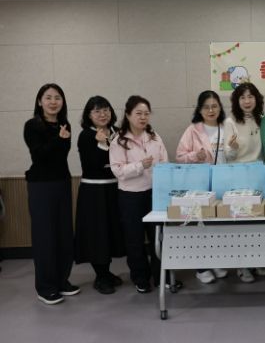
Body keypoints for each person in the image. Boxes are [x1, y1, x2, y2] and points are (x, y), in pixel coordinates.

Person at [23, 83, 80, 305]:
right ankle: (45, 287)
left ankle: (61, 281)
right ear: (40, 101)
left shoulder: (64, 124)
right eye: (48, 97)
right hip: (40, 185)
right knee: (45, 235)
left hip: (62, 182)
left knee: (64, 233)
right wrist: (58, 139)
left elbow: (60, 157)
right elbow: (40, 156)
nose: (53, 102)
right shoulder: (32, 125)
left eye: (57, 97)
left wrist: (61, 138)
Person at [110, 95, 168, 294]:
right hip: (130, 196)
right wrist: (139, 166)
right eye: (138, 113)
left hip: (154, 193)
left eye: (146, 114)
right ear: (128, 115)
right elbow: (117, 170)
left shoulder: (154, 137)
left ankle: (161, 277)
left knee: (158, 237)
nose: (143, 117)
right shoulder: (118, 140)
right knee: (134, 239)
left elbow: (164, 162)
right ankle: (140, 277)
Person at [176, 90, 229, 284]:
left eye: (214, 106)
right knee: (200, 226)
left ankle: (216, 261)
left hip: (223, 183)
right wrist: (194, 156)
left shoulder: (227, 126)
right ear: (199, 110)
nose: (211, 110)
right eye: (206, 107)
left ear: (220, 108)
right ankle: (201, 267)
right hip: (200, 185)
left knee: (219, 225)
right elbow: (179, 156)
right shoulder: (193, 130)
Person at [74, 96, 125, 295]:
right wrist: (103, 145)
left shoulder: (117, 132)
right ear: (89, 115)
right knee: (97, 233)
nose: (102, 114)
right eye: (97, 111)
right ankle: (101, 276)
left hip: (115, 188)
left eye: (106, 110)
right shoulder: (86, 135)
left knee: (111, 231)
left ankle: (106, 272)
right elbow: (91, 165)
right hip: (93, 192)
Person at [222, 82, 265, 283]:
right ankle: (243, 266)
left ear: (256, 99)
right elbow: (228, 155)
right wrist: (232, 148)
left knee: (259, 221)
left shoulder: (262, 119)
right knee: (241, 222)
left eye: (250, 96)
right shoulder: (230, 122)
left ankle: (257, 261)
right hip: (239, 176)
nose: (247, 101)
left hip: (258, 174)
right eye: (242, 97)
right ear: (236, 101)